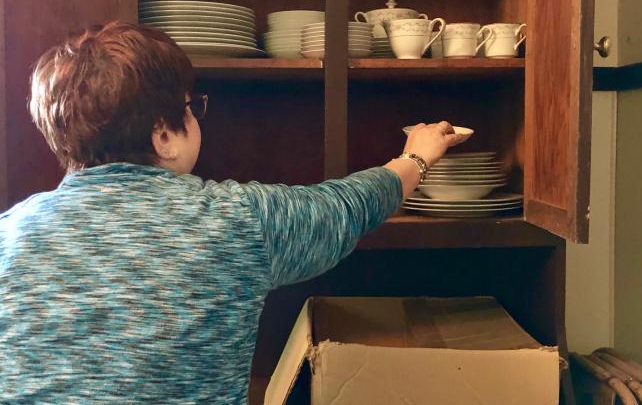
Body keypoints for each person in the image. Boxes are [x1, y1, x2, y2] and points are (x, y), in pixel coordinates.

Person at [0, 21, 467, 403]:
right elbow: (348, 207)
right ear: (163, 135)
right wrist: (416, 157)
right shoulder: (236, 221)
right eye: (190, 107)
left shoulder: (7, 235)